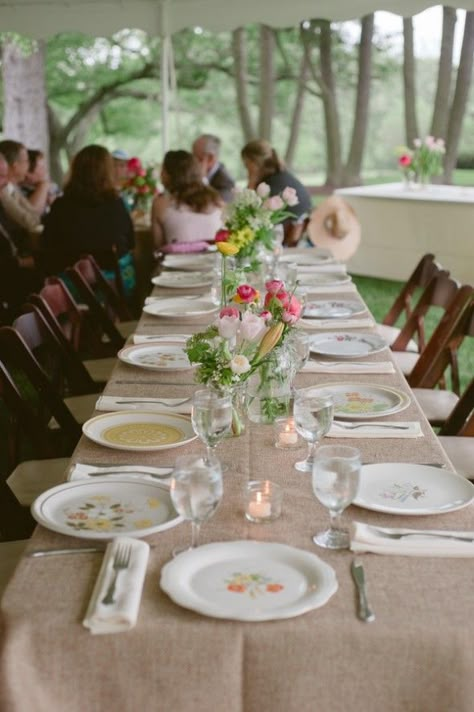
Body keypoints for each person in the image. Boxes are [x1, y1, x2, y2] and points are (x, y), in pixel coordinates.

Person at [42, 144, 134, 260]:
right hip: (111, 275)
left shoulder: (61, 205)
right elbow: (130, 244)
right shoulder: (116, 204)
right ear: (107, 173)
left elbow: (46, 245)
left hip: (70, 274)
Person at [241, 139, 313, 246]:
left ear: (253, 163)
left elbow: (249, 216)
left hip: (284, 243)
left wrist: (251, 182)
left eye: (246, 164)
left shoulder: (267, 187)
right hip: (305, 239)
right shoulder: (283, 176)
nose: (245, 168)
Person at [151, 150, 223, 251]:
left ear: (169, 174)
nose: (160, 175)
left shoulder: (160, 203)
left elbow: (158, 247)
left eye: (163, 170)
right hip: (216, 264)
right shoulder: (216, 200)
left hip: (178, 265)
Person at [0, 153, 43, 313]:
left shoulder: (5, 193)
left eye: (5, 176)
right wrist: (21, 262)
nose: (4, 183)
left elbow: (34, 219)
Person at [0, 139, 42, 232]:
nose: (29, 165)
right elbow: (28, 222)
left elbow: (34, 215)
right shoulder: (3, 192)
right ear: (15, 166)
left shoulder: (13, 187)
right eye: (26, 161)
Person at [192, 134, 235, 203]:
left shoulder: (225, 181)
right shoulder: (191, 175)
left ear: (210, 158)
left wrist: (202, 179)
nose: (192, 161)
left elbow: (218, 206)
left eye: (196, 157)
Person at [20, 149, 59, 216]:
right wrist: (44, 185)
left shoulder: (53, 187)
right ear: (28, 173)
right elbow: (32, 214)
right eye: (42, 167)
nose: (46, 170)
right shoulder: (19, 190)